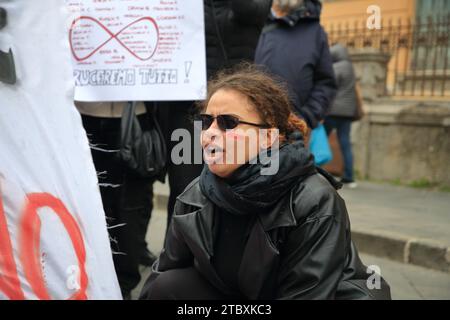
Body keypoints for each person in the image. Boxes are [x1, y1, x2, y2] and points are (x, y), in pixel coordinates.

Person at [139, 64, 391, 300]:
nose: (210, 133)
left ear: (268, 137)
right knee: (167, 287)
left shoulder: (313, 199)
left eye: (228, 123)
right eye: (206, 122)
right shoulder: (195, 195)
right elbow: (160, 277)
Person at [156, 0, 273, 235]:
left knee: (232, 182)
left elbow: (252, 10)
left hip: (234, 113)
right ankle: (179, 253)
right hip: (189, 112)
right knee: (185, 186)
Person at [76, 101, 157, 299]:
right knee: (88, 205)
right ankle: (92, 275)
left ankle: (123, 284)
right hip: (82, 115)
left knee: (129, 209)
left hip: (132, 117)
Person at [255, 0, 337, 129]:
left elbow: (325, 83)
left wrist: (306, 118)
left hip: (293, 132)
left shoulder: (315, 32)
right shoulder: (249, 21)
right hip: (248, 127)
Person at [324, 43, 359, 188]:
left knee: (321, 140)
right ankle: (349, 177)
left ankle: (314, 170)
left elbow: (328, 87)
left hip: (333, 110)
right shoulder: (351, 68)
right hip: (348, 112)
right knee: (345, 143)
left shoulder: (335, 68)